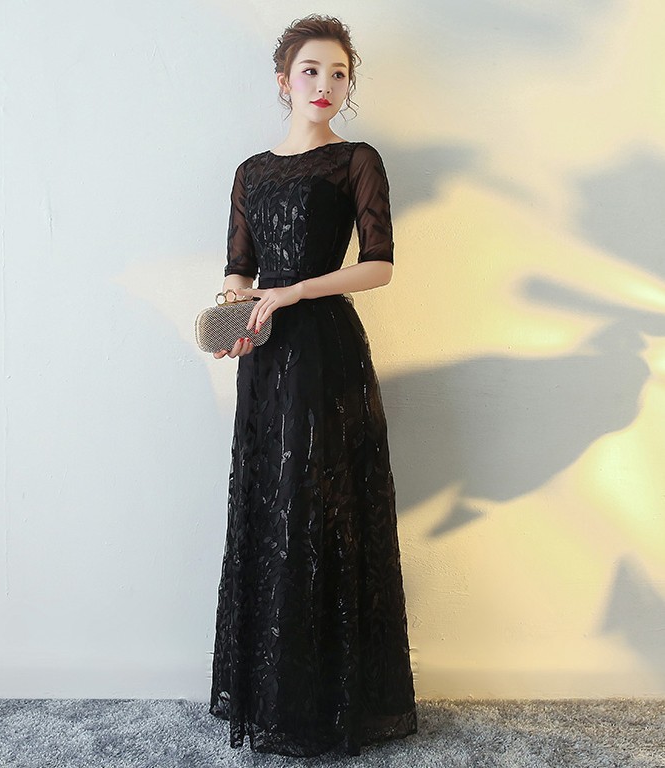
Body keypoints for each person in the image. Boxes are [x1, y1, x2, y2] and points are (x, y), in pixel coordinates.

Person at [208, 13, 418, 758]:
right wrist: (236, 313)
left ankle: (335, 701)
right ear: (283, 81)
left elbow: (380, 265)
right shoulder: (250, 172)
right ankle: (274, 695)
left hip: (326, 348)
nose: (325, 84)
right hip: (265, 354)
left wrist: (295, 291)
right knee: (271, 501)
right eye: (310, 71)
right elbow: (239, 267)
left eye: (338, 73)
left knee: (325, 504)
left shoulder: (356, 160)